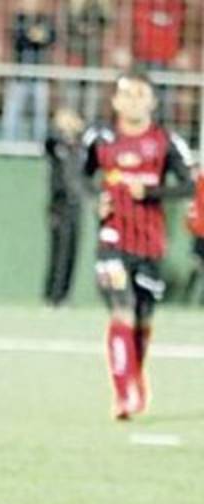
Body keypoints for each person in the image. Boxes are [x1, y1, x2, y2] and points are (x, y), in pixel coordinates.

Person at [83, 71, 195, 420]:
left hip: (150, 243)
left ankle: (135, 378)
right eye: (127, 94)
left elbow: (191, 185)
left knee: (143, 318)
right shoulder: (100, 138)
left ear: (152, 102)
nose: (133, 101)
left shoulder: (166, 141)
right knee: (122, 310)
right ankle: (123, 394)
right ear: (115, 101)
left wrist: (151, 192)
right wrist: (95, 198)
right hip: (112, 239)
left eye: (140, 95)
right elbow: (79, 175)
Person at [42, 108, 87, 307]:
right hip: (59, 204)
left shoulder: (79, 148)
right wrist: (60, 129)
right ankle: (53, 295)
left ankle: (65, 294)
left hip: (75, 203)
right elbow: (48, 141)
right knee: (58, 252)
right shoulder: (56, 146)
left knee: (71, 251)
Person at [1, 0, 56, 141]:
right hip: (20, 72)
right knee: (13, 108)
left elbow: (50, 37)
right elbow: (18, 39)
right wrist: (32, 35)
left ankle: (39, 141)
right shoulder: (18, 19)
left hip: (40, 72)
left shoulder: (44, 20)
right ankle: (8, 141)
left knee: (40, 111)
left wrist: (38, 36)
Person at [182, 173, 204, 304]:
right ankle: (189, 298)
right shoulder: (198, 183)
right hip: (200, 234)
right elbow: (192, 210)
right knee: (198, 266)